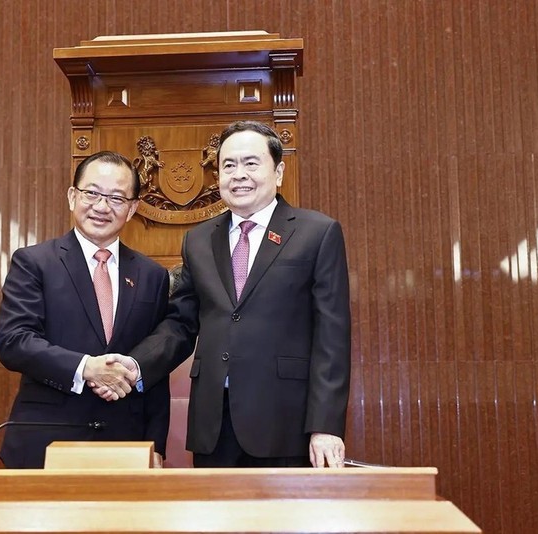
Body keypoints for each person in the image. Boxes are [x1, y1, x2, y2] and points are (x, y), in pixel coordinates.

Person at [95, 121, 351, 468]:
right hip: (214, 426)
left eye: (251, 163)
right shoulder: (199, 240)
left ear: (278, 172)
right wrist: (138, 364)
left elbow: (332, 337)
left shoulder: (316, 233)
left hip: (287, 424)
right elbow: (181, 324)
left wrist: (325, 426)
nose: (238, 174)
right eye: (228, 165)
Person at [0, 151, 170, 468]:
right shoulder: (35, 262)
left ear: (132, 209)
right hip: (45, 442)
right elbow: (14, 342)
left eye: (117, 198)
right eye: (92, 193)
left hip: (125, 445)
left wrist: (156, 445)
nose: (102, 207)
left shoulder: (152, 275)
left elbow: (155, 367)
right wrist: (87, 367)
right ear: (73, 196)